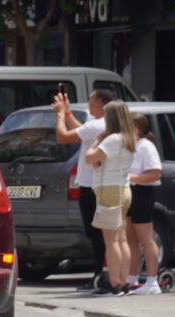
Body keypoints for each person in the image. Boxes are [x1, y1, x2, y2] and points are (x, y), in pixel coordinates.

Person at [53, 87, 115, 292]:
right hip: (100, 183)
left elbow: (63, 137)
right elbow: (82, 132)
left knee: (96, 233)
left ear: (99, 102)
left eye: (91, 99)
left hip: (93, 185)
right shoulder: (101, 124)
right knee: (104, 233)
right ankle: (106, 275)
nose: (88, 103)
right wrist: (69, 114)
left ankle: (100, 274)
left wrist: (61, 115)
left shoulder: (98, 124)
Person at [84, 100, 136, 297]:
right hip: (123, 188)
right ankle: (124, 281)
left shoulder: (112, 139)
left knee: (111, 240)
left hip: (109, 189)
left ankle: (114, 282)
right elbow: (100, 162)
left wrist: (97, 141)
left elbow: (90, 158)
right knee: (121, 238)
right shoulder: (128, 138)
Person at [125, 112, 163, 294]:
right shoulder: (130, 145)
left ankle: (152, 280)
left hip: (142, 192)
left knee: (145, 238)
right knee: (130, 237)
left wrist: (131, 177)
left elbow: (155, 173)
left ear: (136, 128)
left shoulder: (146, 146)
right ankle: (131, 277)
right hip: (129, 192)